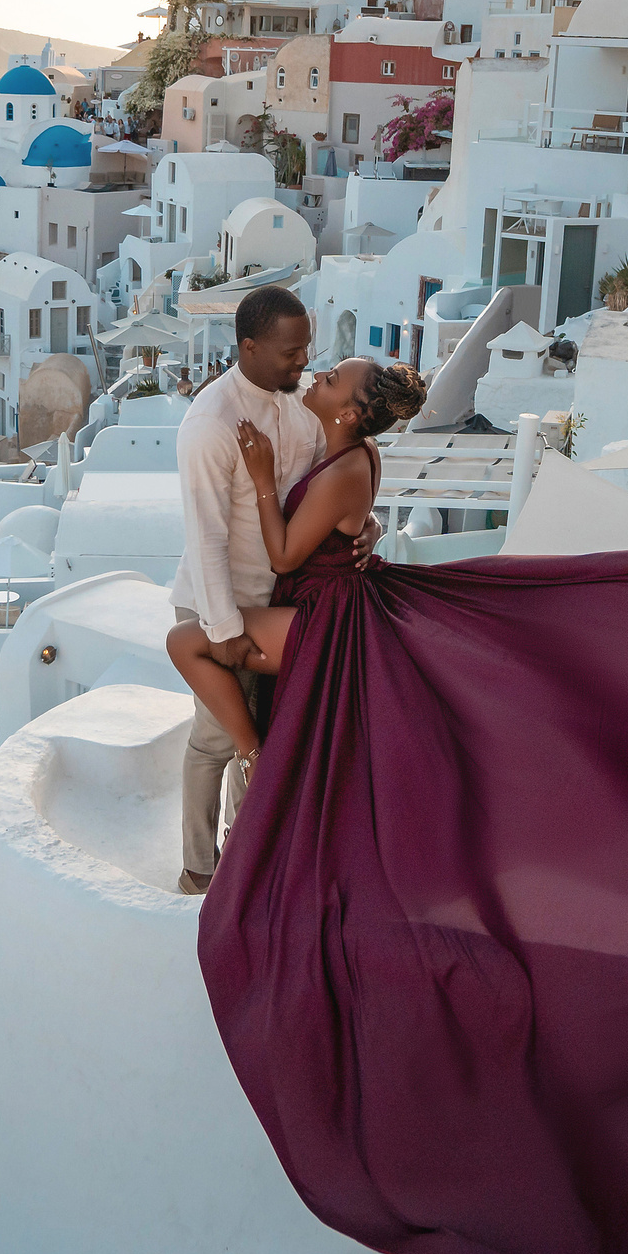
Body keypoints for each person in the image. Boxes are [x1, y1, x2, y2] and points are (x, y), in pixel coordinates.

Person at [167, 356, 427, 769]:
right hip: (324, 599)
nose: (318, 374)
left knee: (182, 643)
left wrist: (264, 481)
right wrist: (370, 527)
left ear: (347, 414)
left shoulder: (344, 469)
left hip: (325, 616)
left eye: (332, 379)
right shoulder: (359, 448)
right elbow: (351, 512)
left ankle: (256, 756)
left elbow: (285, 558)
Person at [166, 285, 325, 895]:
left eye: (306, 348)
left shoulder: (299, 404)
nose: (302, 362)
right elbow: (204, 537)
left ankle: (245, 856)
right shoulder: (210, 423)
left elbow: (318, 495)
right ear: (249, 347)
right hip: (217, 604)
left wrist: (368, 523)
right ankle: (198, 871)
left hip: (277, 604)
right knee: (217, 738)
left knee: (263, 736)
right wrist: (224, 628)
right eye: (290, 352)